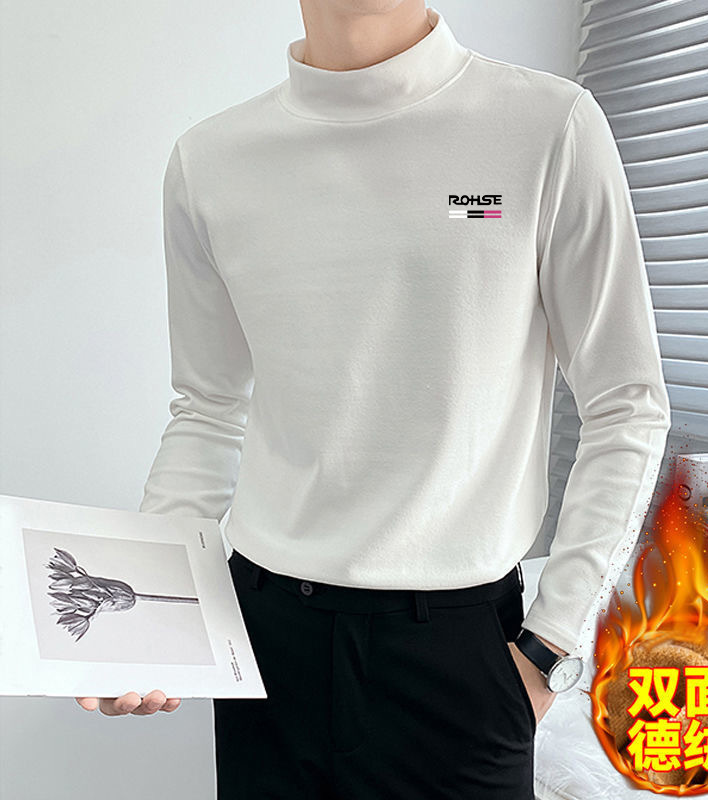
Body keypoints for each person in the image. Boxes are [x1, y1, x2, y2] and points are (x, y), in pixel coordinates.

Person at [76, 1, 671, 797]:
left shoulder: (548, 126)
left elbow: (627, 403)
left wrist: (548, 650)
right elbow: (208, 409)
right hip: (267, 642)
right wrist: (146, 619)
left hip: (459, 659)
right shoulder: (210, 161)